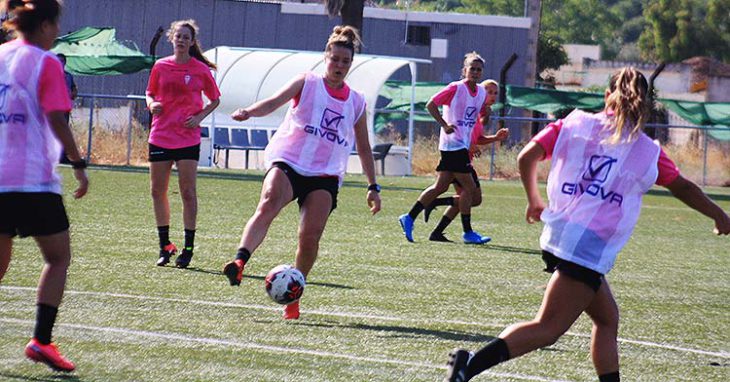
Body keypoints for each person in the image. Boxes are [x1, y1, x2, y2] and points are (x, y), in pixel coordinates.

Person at [443, 67, 730, 382]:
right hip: (585, 247)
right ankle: (468, 365)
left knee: (607, 320)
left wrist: (535, 200)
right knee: (548, 328)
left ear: (607, 96)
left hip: (561, 234)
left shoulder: (575, 123)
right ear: (645, 104)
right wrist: (719, 214)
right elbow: (684, 188)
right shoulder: (646, 150)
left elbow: (527, 156)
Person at [222, 25, 382, 320]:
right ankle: (240, 262)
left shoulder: (357, 102)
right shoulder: (306, 82)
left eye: (345, 62)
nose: (339, 66)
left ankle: (293, 299)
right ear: (326, 57)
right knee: (269, 202)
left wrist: (373, 186)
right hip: (289, 160)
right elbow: (272, 102)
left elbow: (363, 145)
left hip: (324, 174)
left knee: (309, 237)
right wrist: (248, 112)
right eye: (335, 59)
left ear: (351, 64)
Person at [0, 0, 89, 372]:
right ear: (47, 25)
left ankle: (42, 342)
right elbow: (56, 116)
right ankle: (41, 340)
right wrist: (79, 163)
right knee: (57, 258)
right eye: (56, 25)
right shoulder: (45, 62)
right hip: (32, 179)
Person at [145, 19, 221, 268]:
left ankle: (188, 249)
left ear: (191, 42)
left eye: (186, 37)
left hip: (187, 138)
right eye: (178, 36)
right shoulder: (160, 66)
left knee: (188, 192)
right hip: (161, 135)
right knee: (158, 191)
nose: (181, 40)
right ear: (172, 38)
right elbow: (150, 93)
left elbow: (215, 99)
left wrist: (199, 117)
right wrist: (151, 104)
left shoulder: (199, 69)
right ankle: (165, 246)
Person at [398, 52, 491, 244]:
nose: (474, 72)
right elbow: (431, 104)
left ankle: (409, 217)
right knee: (470, 189)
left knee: (440, 187)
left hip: (462, 146)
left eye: (478, 69)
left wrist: (485, 119)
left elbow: (478, 117)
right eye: (471, 69)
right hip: (452, 145)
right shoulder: (455, 88)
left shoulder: (481, 92)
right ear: (464, 70)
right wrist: (444, 124)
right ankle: (467, 232)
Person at [424, 79, 509, 242]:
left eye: (495, 93)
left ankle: (437, 230)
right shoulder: (470, 110)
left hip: (463, 159)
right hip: (458, 158)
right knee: (472, 198)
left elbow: (476, 138)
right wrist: (469, 145)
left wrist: (495, 138)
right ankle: (463, 229)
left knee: (466, 198)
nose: (492, 96)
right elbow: (462, 134)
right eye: (489, 91)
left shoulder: (478, 114)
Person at [56, 52, 75, 164]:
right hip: (53, 109)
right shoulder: (50, 74)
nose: (60, 63)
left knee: (64, 132)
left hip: (64, 109)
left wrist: (72, 93)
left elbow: (73, 89)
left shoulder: (68, 76)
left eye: (62, 61)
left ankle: (63, 156)